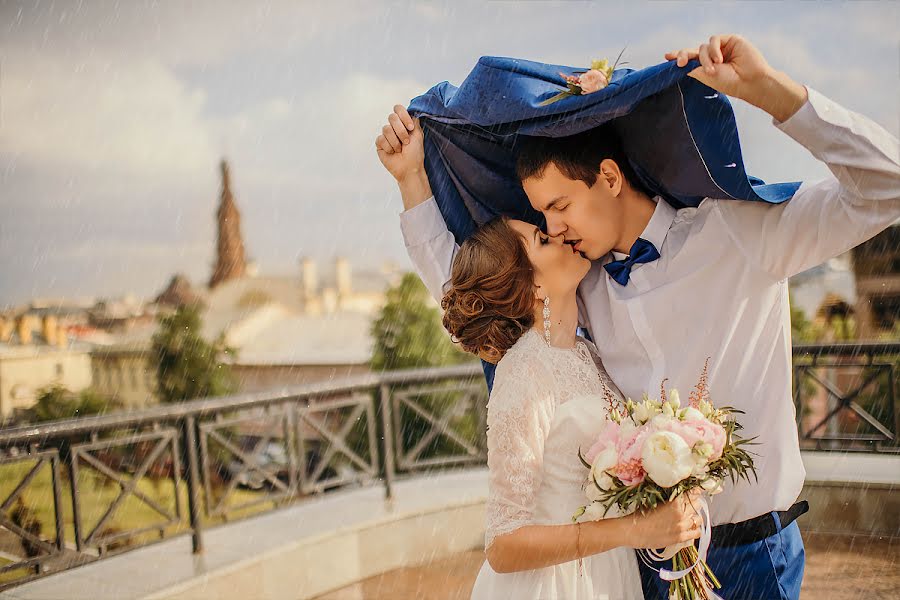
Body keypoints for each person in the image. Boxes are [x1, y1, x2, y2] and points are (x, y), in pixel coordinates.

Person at [377, 34, 900, 599]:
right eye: (542, 218)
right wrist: (413, 182)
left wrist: (772, 93)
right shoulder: (580, 284)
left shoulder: (738, 234)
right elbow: (475, 290)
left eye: (558, 207)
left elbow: (886, 187)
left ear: (607, 177)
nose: (553, 229)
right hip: (640, 565)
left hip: (751, 555)